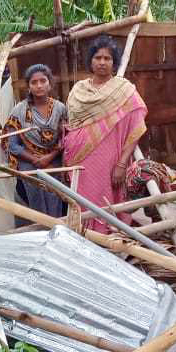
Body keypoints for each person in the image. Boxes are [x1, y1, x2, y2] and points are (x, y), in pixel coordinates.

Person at [64, 36, 148, 233]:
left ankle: (107, 235)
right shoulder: (78, 90)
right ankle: (85, 235)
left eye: (107, 58)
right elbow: (73, 123)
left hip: (109, 160)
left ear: (114, 62)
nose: (102, 62)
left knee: (104, 198)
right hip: (80, 158)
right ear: (90, 61)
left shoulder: (124, 91)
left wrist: (121, 163)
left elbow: (136, 129)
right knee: (83, 200)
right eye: (97, 58)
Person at [1, 63, 68, 218]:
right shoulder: (19, 111)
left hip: (54, 160)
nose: (39, 86)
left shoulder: (60, 108)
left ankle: (58, 228)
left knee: (55, 196)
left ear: (50, 84)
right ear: (28, 87)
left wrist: (48, 158)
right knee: (35, 197)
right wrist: (35, 159)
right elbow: (13, 146)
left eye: (43, 81)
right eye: (34, 82)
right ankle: (40, 230)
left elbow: (64, 140)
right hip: (28, 162)